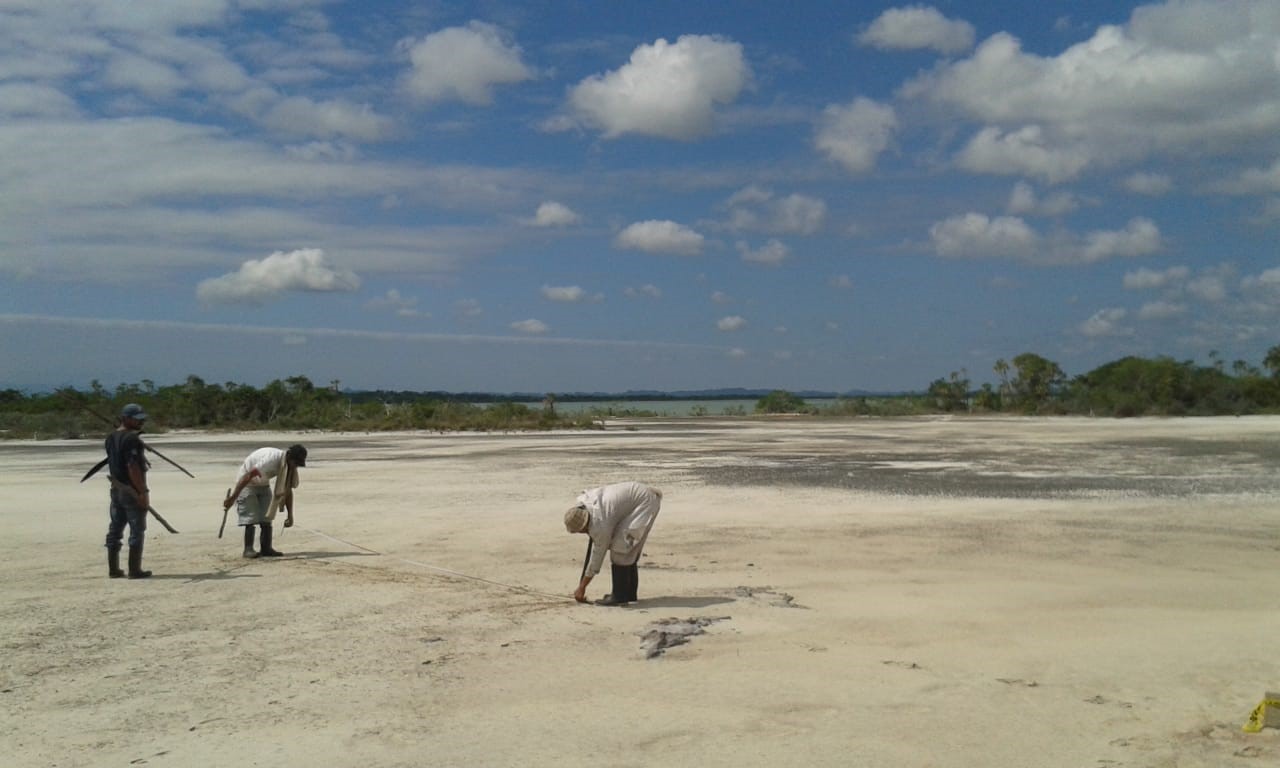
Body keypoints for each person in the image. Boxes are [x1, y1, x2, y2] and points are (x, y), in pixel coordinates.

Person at [564, 481, 662, 606]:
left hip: (644, 503)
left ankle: (620, 596)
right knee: (627, 550)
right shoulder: (585, 503)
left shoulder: (600, 525)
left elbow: (596, 559)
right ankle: (629, 594)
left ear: (583, 527)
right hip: (638, 497)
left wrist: (582, 587)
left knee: (620, 550)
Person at [222, 444, 307, 558]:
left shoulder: (287, 466)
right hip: (247, 484)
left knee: (267, 517)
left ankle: (266, 548)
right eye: (295, 463)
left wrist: (290, 515)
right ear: (290, 458)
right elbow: (248, 476)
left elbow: (287, 489)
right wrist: (233, 498)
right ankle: (248, 549)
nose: (295, 466)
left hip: (263, 484)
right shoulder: (270, 460)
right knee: (250, 517)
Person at [104, 403, 153, 579]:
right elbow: (133, 467)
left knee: (115, 528)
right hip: (130, 490)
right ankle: (134, 570)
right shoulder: (131, 440)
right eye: (137, 419)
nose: (141, 422)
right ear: (125, 419)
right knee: (137, 529)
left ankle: (114, 569)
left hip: (116, 488)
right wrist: (142, 492)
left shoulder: (111, 437)